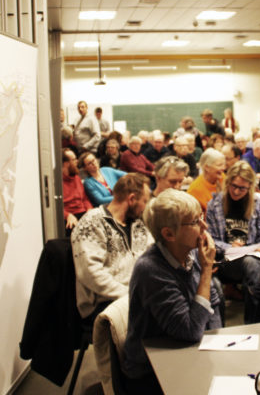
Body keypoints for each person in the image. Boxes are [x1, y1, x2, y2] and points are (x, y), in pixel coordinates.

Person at [123, 189, 221, 393]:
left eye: (201, 218)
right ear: (169, 234)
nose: (205, 226)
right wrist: (206, 271)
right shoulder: (151, 270)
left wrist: (217, 346)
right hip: (149, 372)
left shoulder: (189, 254)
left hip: (186, 353)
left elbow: (213, 305)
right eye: (195, 222)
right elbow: (190, 331)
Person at [71, 173, 153, 321]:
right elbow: (91, 274)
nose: (145, 207)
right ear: (132, 199)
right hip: (104, 302)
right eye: (144, 201)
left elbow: (154, 256)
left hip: (136, 296)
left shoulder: (138, 224)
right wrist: (130, 294)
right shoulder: (92, 222)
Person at [206, 161, 260, 321]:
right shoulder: (215, 205)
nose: (236, 191)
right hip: (227, 260)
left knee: (251, 263)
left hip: (254, 258)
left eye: (242, 188)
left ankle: (254, 322)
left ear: (250, 186)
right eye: (233, 186)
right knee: (249, 264)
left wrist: (259, 248)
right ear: (227, 183)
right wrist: (230, 247)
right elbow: (212, 239)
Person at [62, 148, 92, 235]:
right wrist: (67, 215)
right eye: (74, 159)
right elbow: (55, 206)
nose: (77, 162)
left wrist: (89, 210)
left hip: (83, 212)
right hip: (70, 215)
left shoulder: (76, 178)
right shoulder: (57, 182)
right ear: (66, 163)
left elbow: (85, 199)